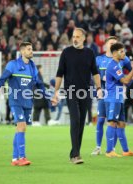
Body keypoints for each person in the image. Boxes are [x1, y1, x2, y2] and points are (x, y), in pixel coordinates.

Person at [52, 28, 102, 164]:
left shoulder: (90, 53)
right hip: (71, 91)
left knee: (81, 123)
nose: (75, 39)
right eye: (73, 36)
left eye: (78, 37)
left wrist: (99, 88)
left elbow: (95, 72)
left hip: (86, 92)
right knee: (75, 119)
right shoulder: (66, 52)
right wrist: (55, 92)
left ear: (84, 38)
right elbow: (59, 73)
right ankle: (75, 155)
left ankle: (75, 153)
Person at [0, 42, 49, 166]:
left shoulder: (33, 67)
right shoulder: (13, 65)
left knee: (20, 128)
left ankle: (14, 159)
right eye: (29, 49)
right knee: (22, 127)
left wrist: (49, 97)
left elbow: (40, 85)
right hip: (15, 101)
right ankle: (22, 157)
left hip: (28, 102)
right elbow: (3, 78)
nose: (31, 51)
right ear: (22, 52)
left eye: (32, 49)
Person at [91, 36, 132, 155]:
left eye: (115, 43)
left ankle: (112, 149)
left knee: (115, 120)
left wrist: (128, 81)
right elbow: (94, 75)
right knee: (100, 121)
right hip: (103, 93)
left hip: (115, 94)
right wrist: (98, 88)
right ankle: (98, 147)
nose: (113, 44)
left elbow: (130, 71)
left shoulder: (123, 59)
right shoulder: (99, 59)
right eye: (111, 43)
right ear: (106, 45)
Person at [105, 42, 133, 157]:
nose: (124, 53)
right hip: (112, 98)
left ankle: (125, 150)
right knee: (112, 123)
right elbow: (124, 81)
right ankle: (109, 151)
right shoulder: (113, 66)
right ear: (115, 53)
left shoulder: (119, 63)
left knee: (122, 124)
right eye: (122, 51)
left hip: (119, 98)